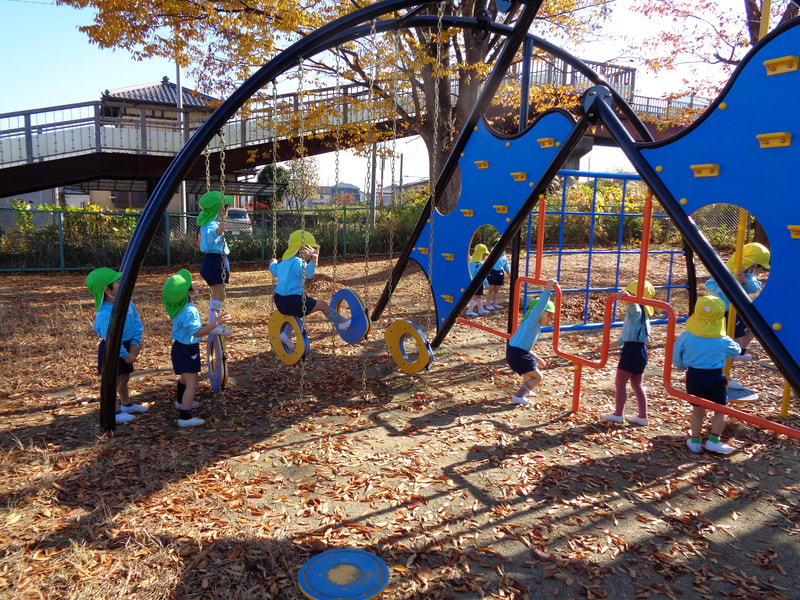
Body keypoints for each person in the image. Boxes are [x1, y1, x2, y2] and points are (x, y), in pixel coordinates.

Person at [673, 295, 750, 454]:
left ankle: (695, 441)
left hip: (694, 376)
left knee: (698, 411)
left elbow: (676, 356)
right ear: (720, 317)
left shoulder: (686, 336)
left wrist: (681, 366)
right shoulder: (722, 339)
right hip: (715, 377)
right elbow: (736, 350)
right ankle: (714, 441)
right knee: (720, 409)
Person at [162, 269, 231, 428]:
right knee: (192, 384)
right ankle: (184, 417)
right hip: (187, 351)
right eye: (190, 283)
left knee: (184, 380)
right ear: (189, 293)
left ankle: (181, 402)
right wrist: (216, 322)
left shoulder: (179, 306)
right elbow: (197, 332)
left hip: (179, 348)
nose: (194, 282)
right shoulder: (190, 310)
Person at [86, 267, 148, 424]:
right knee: (113, 381)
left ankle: (126, 404)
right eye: (117, 282)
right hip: (112, 349)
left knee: (125, 377)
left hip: (126, 344)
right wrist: (125, 355)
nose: (121, 283)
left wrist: (134, 342)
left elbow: (136, 322)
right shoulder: (104, 314)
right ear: (107, 290)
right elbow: (111, 338)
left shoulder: (126, 303)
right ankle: (113, 411)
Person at [269, 230, 351, 349]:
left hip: (280, 301)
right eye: (310, 250)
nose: (311, 254)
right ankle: (343, 322)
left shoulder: (284, 262)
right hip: (294, 300)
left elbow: (274, 270)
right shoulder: (298, 262)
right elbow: (308, 274)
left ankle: (286, 335)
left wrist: (272, 263)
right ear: (302, 249)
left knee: (296, 312)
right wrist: (315, 259)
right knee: (323, 305)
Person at [599, 280, 656, 426]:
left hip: (631, 352)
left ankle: (618, 414)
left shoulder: (635, 312)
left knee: (620, 383)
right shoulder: (644, 315)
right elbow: (624, 338)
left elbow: (634, 308)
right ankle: (642, 416)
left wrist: (629, 299)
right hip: (641, 351)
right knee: (637, 385)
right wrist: (607, 346)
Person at [704, 242, 770, 364]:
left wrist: (745, 281)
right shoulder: (727, 272)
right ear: (752, 265)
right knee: (736, 331)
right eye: (759, 268)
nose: (759, 272)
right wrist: (730, 281)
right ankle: (736, 352)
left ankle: (741, 350)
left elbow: (755, 288)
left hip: (742, 309)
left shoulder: (749, 276)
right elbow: (709, 285)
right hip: (727, 309)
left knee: (753, 329)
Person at [506, 279, 558, 405]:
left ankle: (526, 390)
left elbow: (525, 348)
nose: (549, 320)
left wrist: (538, 358)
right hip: (517, 354)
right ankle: (519, 396)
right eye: (548, 316)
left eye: (551, 317)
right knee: (538, 377)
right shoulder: (532, 320)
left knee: (530, 367)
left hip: (514, 351)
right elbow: (540, 306)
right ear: (539, 313)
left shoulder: (533, 326)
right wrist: (547, 289)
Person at [197, 190, 233, 336]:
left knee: (218, 294)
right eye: (226, 209)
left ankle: (215, 322)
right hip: (216, 261)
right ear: (219, 210)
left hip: (214, 260)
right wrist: (218, 231)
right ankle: (215, 324)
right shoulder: (211, 225)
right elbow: (210, 237)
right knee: (218, 294)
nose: (226, 212)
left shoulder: (208, 223)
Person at [485, 238, 511, 310]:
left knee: (496, 290)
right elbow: (487, 265)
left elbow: (506, 267)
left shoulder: (504, 257)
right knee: (491, 289)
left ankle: (494, 303)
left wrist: (510, 275)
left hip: (500, 273)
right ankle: (488, 304)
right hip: (492, 272)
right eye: (496, 244)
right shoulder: (492, 255)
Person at [465, 244, 490, 317]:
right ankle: (469, 311)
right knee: (475, 296)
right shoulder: (479, 265)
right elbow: (482, 276)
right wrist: (486, 284)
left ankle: (481, 309)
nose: (485, 256)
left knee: (479, 296)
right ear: (481, 255)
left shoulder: (471, 263)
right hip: (478, 283)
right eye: (484, 254)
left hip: (473, 282)